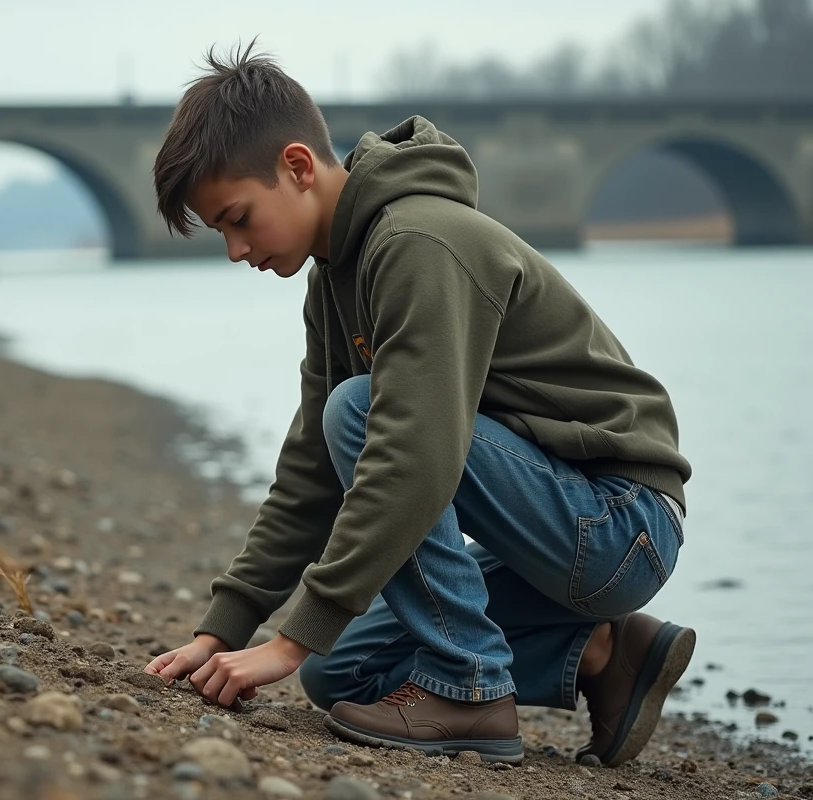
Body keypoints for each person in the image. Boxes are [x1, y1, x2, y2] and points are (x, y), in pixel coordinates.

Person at [144, 41, 694, 767]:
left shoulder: (419, 244)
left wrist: (287, 636)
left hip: (621, 521)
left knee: (360, 411)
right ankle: (604, 650)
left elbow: (415, 455)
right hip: (548, 525)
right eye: (221, 231)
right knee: (336, 674)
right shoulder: (333, 279)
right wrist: (226, 631)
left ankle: (470, 687)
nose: (235, 250)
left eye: (237, 218)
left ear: (298, 167)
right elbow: (311, 470)